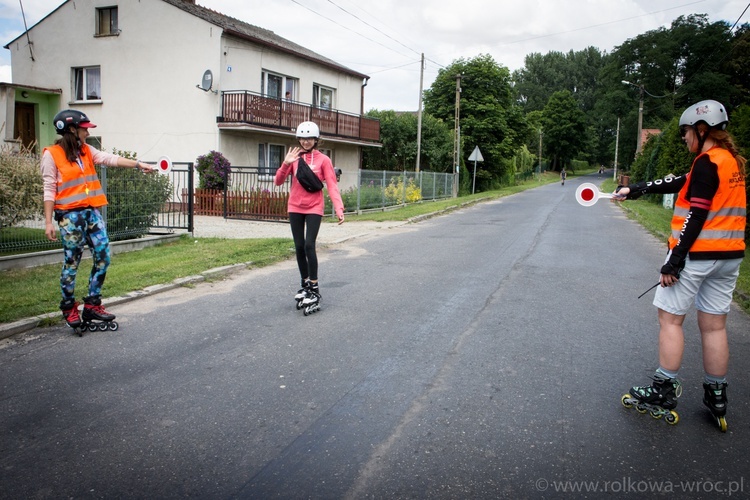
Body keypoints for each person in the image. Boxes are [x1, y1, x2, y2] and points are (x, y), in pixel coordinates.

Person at [614, 100, 746, 430]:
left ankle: (662, 390)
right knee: (714, 326)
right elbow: (677, 182)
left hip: (696, 257)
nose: (684, 138)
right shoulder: (727, 162)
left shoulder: (706, 164)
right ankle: (716, 394)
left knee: (670, 320)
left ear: (702, 130)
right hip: (729, 258)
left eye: (686, 132)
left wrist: (674, 261)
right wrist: (635, 189)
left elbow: (696, 215)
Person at [42, 109, 157, 330]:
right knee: (72, 262)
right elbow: (49, 189)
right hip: (69, 216)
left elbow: (109, 159)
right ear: (72, 129)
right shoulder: (52, 154)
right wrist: (48, 222)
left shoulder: (86, 150)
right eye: (85, 128)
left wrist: (137, 164)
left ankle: (93, 304)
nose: (88, 132)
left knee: (104, 255)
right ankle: (68, 306)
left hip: (91, 212)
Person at [274, 121, 345, 313]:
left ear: (316, 140)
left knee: (309, 245)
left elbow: (331, 185)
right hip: (295, 207)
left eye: (310, 138)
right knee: (298, 247)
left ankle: (314, 287)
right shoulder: (294, 158)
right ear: (299, 139)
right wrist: (285, 163)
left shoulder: (324, 160)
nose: (306, 142)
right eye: (303, 138)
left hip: (314, 207)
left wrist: (339, 208)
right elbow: (278, 182)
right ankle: (304, 283)